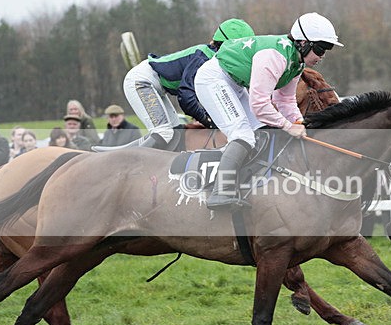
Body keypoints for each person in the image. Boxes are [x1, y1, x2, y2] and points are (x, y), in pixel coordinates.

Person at [195, 12, 343, 210]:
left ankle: (252, 180)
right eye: (320, 48)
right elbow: (259, 104)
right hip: (213, 80)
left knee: (263, 129)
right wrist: (287, 126)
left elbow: (285, 100)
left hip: (234, 84)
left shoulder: (296, 63)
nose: (322, 56)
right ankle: (220, 191)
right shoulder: (276, 56)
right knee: (243, 134)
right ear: (302, 42)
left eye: (327, 49)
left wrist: (300, 124)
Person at [111, 18, 255, 150]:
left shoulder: (215, 60)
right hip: (142, 82)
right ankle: (124, 160)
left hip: (156, 86)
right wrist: (208, 122)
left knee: (175, 135)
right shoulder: (204, 58)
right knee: (164, 133)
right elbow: (186, 97)